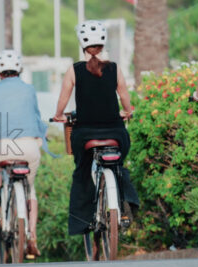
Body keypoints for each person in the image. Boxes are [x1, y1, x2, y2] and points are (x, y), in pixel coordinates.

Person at [52, 20, 140, 236]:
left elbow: (63, 100)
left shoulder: (74, 70)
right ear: (104, 42)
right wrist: (128, 111)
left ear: (81, 44)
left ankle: (83, 222)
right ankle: (126, 201)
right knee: (119, 164)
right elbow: (125, 97)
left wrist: (58, 115)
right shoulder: (115, 68)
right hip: (115, 134)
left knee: (82, 173)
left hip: (85, 135)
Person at [0, 49, 49, 258]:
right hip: (29, 147)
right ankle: (32, 237)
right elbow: (37, 117)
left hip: (1, 148)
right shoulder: (30, 89)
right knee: (30, 190)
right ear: (20, 69)